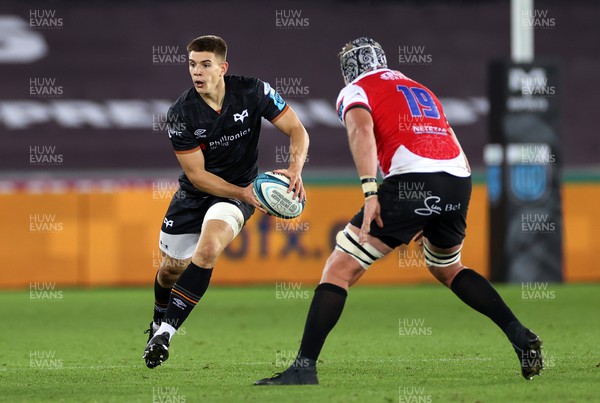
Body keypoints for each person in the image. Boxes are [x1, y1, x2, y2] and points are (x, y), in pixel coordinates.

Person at [254, 37, 542, 385]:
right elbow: (450, 139)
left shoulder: (357, 89)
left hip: (411, 181)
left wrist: (371, 190)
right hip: (457, 179)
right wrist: (433, 206)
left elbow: (361, 131)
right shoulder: (419, 87)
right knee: (448, 268)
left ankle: (303, 368)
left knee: (339, 269)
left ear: (349, 69)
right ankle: (519, 335)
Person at [143, 35, 309, 368]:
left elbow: (297, 130)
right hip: (195, 196)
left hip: (236, 195)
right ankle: (157, 317)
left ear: (223, 67)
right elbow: (198, 176)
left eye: (205, 64)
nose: (197, 72)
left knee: (207, 249)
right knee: (170, 270)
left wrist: (294, 169)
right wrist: (243, 193)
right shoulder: (181, 113)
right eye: (192, 65)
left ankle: (165, 334)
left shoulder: (252, 91)